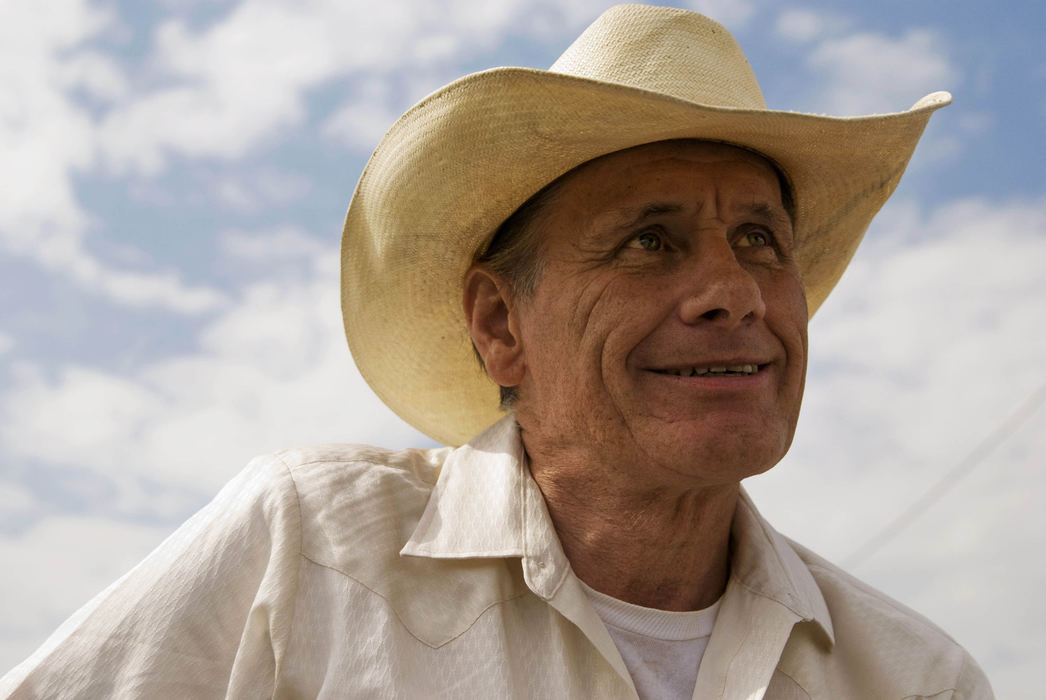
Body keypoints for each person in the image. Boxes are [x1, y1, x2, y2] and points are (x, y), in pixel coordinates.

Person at [1, 5, 993, 699]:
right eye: (649, 239)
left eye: (759, 242)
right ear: (497, 325)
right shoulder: (303, 552)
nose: (730, 290)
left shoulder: (913, 680)